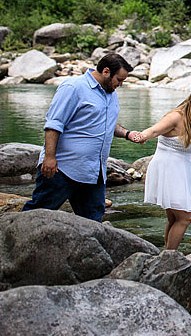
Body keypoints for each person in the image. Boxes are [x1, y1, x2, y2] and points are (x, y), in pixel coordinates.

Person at [22, 53, 139, 221]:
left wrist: (128, 134)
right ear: (106, 71)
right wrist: (49, 157)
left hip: (93, 171)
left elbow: (107, 124)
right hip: (63, 168)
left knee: (93, 221)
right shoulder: (73, 87)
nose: (120, 84)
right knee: (38, 213)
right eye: (119, 80)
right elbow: (54, 124)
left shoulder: (110, 92)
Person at [137, 91, 191, 250]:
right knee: (186, 217)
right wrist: (142, 136)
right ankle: (170, 255)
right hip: (168, 169)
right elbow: (154, 130)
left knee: (174, 217)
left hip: (179, 171)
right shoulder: (175, 117)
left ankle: (167, 254)